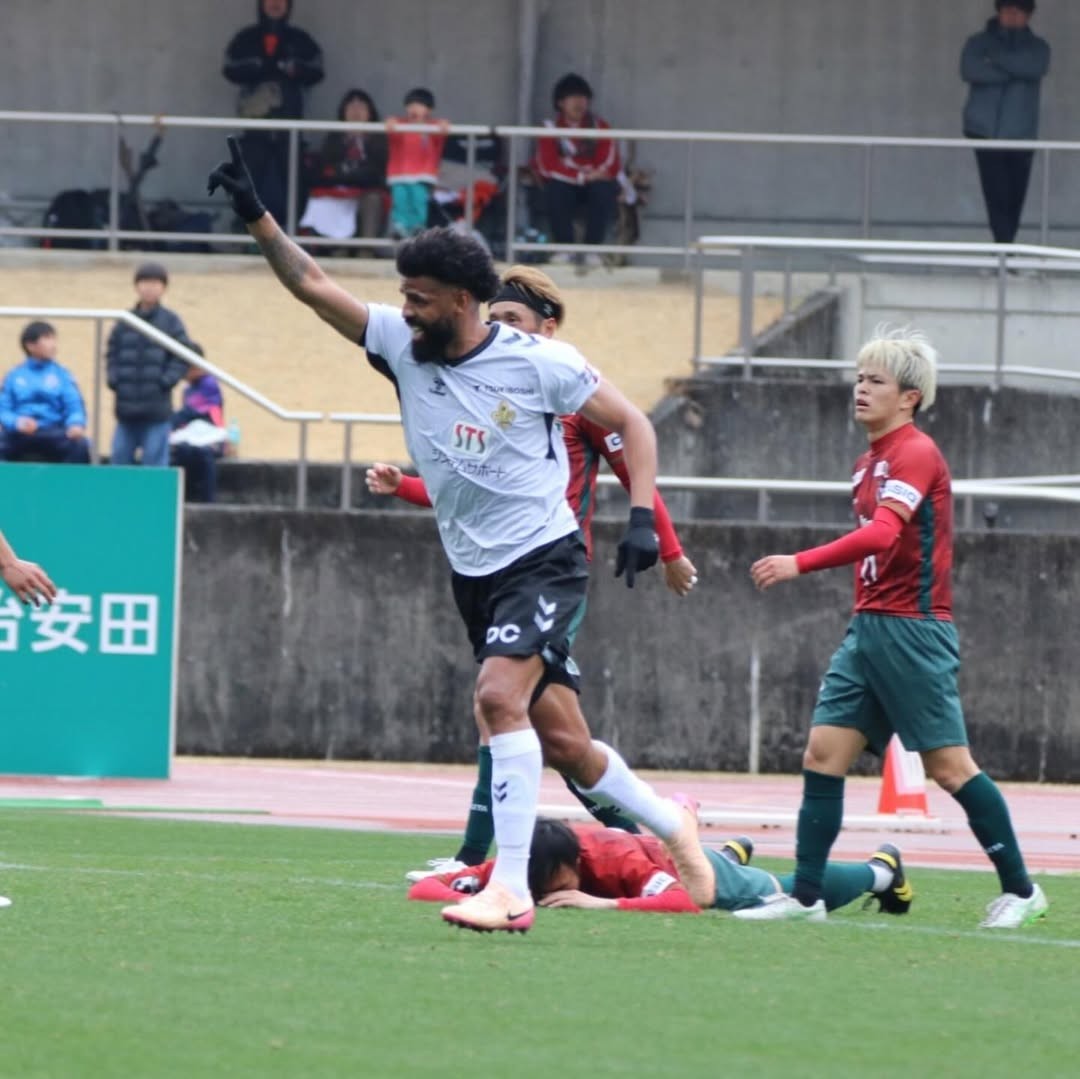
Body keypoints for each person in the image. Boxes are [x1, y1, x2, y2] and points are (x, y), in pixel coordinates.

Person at [208, 135, 712, 935]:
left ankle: (509, 887)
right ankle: (671, 823)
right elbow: (311, 284)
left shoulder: (539, 363)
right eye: (403, 296)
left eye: (421, 298)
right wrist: (259, 218)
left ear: (463, 302)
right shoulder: (401, 351)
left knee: (494, 700)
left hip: (544, 560)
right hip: (473, 572)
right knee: (565, 742)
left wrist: (647, 517)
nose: (405, 310)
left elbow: (633, 425)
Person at [365, 265, 698, 879]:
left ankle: (489, 864)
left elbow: (634, 463)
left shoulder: (571, 394)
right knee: (554, 734)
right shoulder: (491, 391)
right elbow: (465, 486)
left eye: (513, 321)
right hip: (496, 570)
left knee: (502, 704)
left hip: (549, 572)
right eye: (495, 320)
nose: (499, 331)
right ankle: (659, 838)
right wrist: (406, 485)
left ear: (548, 327)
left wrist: (665, 547)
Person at [737, 327, 1047, 929]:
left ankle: (1023, 890)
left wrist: (798, 561)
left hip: (913, 630)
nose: (861, 389)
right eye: (858, 378)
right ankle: (806, 897)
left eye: (875, 380)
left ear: (908, 397)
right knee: (823, 752)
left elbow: (883, 534)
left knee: (949, 768)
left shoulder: (915, 452)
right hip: (870, 628)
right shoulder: (866, 463)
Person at [408, 816, 914, 920]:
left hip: (689, 871)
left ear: (575, 861)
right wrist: (475, 898)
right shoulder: (520, 861)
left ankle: (882, 870)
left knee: (777, 891)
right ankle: (730, 850)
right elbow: (425, 889)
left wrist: (602, 902)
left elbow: (686, 901)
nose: (543, 894)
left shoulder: (611, 858)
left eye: (553, 884)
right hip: (663, 853)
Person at [223, 0, 325, 225]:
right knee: (248, 179)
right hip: (255, 126)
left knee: (295, 181)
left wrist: (294, 69)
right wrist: (256, 67)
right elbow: (229, 68)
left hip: (290, 124)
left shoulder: (300, 39)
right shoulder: (246, 38)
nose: (275, 4)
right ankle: (243, 232)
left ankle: (297, 233)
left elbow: (317, 70)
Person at [960, 1, 1050, 244]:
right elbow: (970, 71)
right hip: (984, 130)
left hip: (1021, 131)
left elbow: (1035, 67)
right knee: (996, 193)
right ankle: (1004, 252)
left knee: (1015, 195)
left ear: (1028, 15)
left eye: (1019, 11)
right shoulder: (977, 42)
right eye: (1007, 9)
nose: (1012, 15)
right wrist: (1013, 69)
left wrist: (995, 60)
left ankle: (1004, 252)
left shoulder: (1038, 47)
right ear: (998, 11)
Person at [107, 262, 193, 467]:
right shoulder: (124, 321)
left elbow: (183, 355)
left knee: (154, 467)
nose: (149, 288)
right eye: (145, 282)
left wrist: (165, 381)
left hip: (157, 410)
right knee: (119, 461)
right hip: (125, 408)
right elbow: (112, 353)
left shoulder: (171, 321)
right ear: (136, 286)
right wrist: (113, 379)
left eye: (155, 283)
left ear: (163, 287)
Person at [533, 74, 621, 267]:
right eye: (573, 98)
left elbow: (610, 163)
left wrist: (590, 175)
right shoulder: (550, 128)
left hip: (594, 183)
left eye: (583, 98)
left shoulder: (600, 126)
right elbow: (547, 166)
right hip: (567, 184)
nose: (579, 103)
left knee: (603, 190)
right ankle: (565, 249)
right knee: (556, 189)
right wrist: (581, 176)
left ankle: (593, 250)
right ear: (560, 103)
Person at [300, 88, 388, 250]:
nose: (356, 111)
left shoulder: (379, 137)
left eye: (361, 107)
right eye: (351, 107)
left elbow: (378, 170)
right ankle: (337, 248)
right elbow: (326, 167)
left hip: (367, 190)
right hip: (337, 190)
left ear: (370, 113)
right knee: (325, 201)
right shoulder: (334, 137)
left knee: (373, 200)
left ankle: (366, 250)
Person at [0, 322, 90, 464]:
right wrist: (16, 422)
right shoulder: (13, 375)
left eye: (54, 339)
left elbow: (74, 405)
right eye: (47, 338)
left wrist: (76, 423)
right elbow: (3, 409)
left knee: (80, 445)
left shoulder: (62, 374)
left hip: (53, 431)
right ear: (30, 345)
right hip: (19, 433)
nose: (53, 344)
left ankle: (71, 486)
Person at [385, 88, 449, 239]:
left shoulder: (433, 127)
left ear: (429, 109)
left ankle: (417, 228)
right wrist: (390, 123)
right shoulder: (399, 124)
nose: (414, 108)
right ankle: (399, 228)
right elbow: (391, 128)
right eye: (411, 104)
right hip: (399, 174)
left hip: (422, 175)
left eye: (420, 104)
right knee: (400, 201)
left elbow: (442, 133)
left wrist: (443, 126)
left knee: (418, 201)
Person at [170, 343, 226, 504]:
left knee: (203, 454)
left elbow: (195, 412)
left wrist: (172, 422)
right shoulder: (188, 388)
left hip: (211, 436)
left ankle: (208, 501)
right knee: (182, 451)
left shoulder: (210, 384)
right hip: (192, 435)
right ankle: (182, 498)